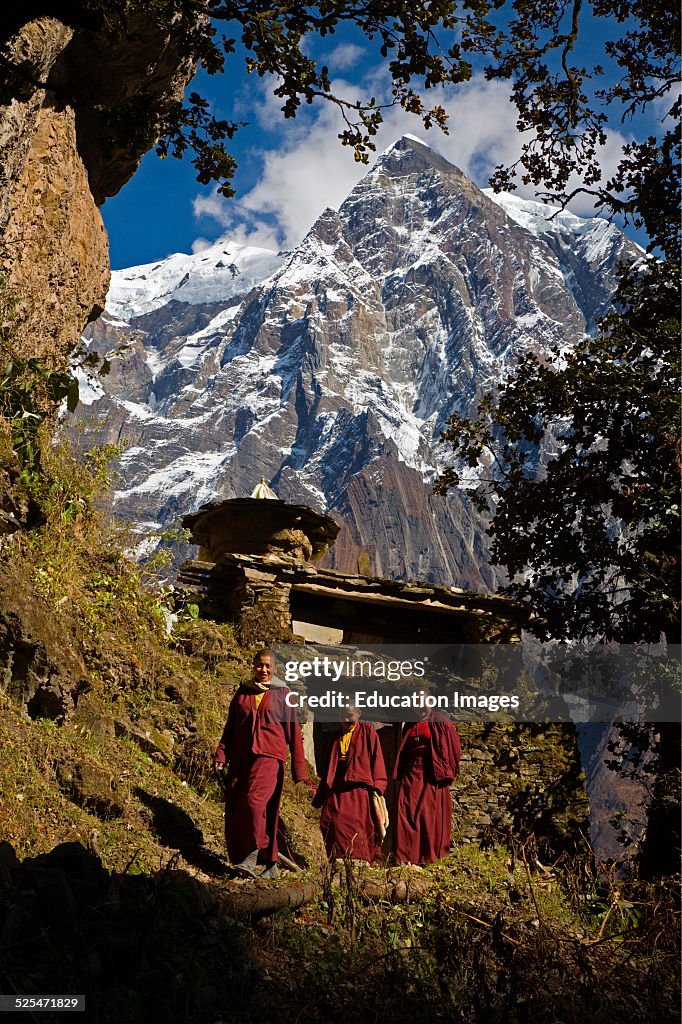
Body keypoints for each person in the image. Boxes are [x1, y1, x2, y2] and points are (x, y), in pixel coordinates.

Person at [213, 648, 309, 879]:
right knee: (241, 807)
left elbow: (293, 732)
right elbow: (231, 727)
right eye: (259, 665)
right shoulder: (243, 693)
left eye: (268, 666)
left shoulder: (283, 693)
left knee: (254, 803)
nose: (263, 670)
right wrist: (221, 754)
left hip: (269, 757)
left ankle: (253, 854)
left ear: (274, 669)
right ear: (253, 666)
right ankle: (271, 863)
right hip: (241, 758)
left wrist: (300, 770)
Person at [313, 706, 388, 864]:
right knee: (331, 819)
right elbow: (329, 768)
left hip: (359, 788)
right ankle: (339, 858)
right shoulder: (336, 736)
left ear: (359, 714)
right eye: (342, 716)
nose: (346, 720)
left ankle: (360, 859)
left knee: (359, 823)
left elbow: (377, 758)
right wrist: (321, 795)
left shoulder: (368, 732)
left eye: (349, 715)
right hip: (338, 787)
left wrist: (378, 785)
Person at [393, 705, 461, 867]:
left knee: (428, 816)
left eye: (422, 702)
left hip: (431, 774)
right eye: (415, 704)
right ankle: (406, 858)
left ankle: (428, 858)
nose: (419, 707)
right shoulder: (410, 724)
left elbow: (453, 749)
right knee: (406, 813)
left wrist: (444, 772)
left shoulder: (441, 722)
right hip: (411, 774)